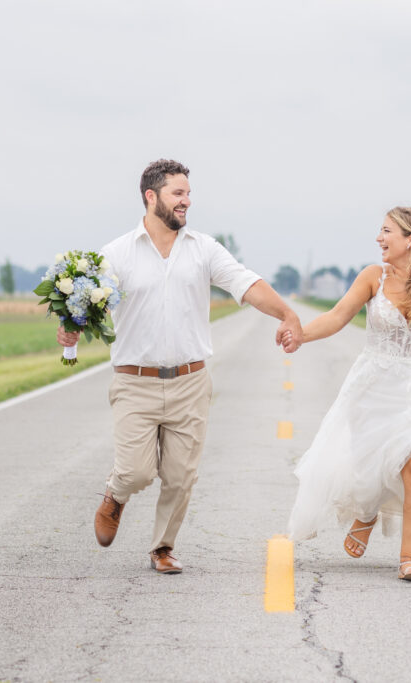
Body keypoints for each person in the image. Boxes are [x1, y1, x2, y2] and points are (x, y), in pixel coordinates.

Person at [58, 159, 302, 574]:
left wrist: (287, 314)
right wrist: (71, 330)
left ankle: (163, 547)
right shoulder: (116, 254)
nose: (187, 201)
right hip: (135, 382)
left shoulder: (204, 249)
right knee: (136, 472)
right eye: (178, 193)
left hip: (191, 381)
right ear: (151, 197)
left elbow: (246, 283)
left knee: (180, 476)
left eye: (188, 194)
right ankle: (116, 495)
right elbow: (84, 305)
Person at [285, 206, 411, 582]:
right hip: (374, 384)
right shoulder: (372, 277)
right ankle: (366, 512)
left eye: (387, 231)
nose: (379, 238)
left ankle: (409, 559)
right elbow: (337, 316)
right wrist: (301, 335)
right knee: (370, 467)